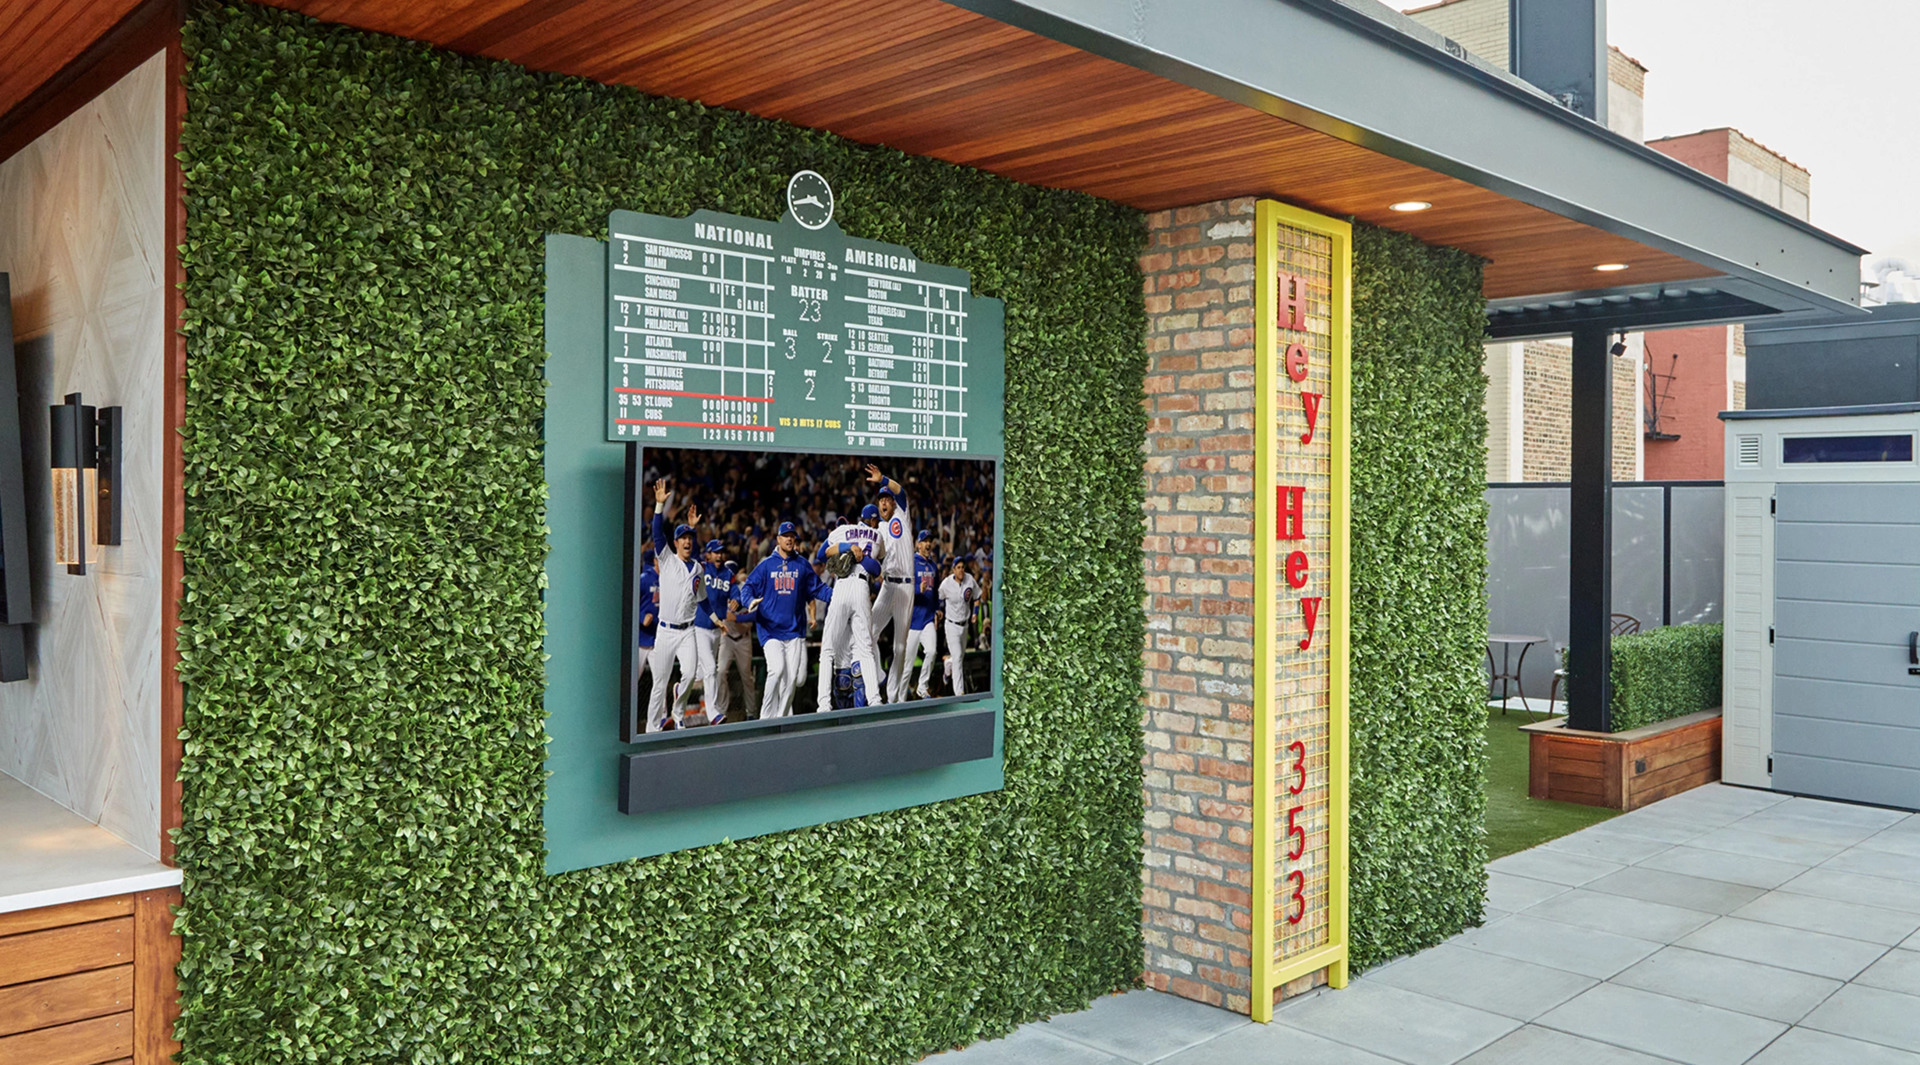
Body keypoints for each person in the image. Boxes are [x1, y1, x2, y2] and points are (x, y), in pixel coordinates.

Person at [645, 481, 705, 732]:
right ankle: (651, 729)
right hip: (666, 631)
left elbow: (702, 596)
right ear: (676, 542)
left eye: (690, 538)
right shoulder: (667, 559)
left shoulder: (698, 568)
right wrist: (659, 505)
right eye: (683, 538)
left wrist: (691, 528)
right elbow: (657, 533)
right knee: (659, 684)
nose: (687, 541)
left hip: (687, 631)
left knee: (691, 674)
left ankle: (678, 713)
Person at [742, 520, 819, 718]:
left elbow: (816, 591)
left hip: (794, 631)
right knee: (776, 670)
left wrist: (835, 597)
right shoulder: (766, 565)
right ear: (778, 539)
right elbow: (747, 587)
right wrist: (749, 600)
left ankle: (782, 717)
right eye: (786, 536)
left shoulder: (801, 565)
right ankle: (765, 718)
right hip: (771, 630)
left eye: (792, 536)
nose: (789, 539)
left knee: (794, 678)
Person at [815, 504, 885, 712]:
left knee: (827, 650)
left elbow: (820, 555)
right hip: (862, 587)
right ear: (873, 520)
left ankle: (824, 704)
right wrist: (858, 552)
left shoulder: (842, 530)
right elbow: (876, 568)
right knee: (866, 649)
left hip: (842, 585)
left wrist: (846, 546)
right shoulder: (877, 535)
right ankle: (875, 700)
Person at [864, 464, 917, 703]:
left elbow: (901, 490)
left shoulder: (902, 515)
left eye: (887, 499)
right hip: (887, 587)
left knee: (900, 648)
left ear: (893, 503)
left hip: (906, 586)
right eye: (881, 500)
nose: (884, 503)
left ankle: (894, 697)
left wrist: (882, 479)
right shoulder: (879, 530)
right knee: (868, 634)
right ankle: (879, 675)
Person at [690, 538, 730, 724]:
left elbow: (734, 592)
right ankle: (712, 712)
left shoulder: (728, 574)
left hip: (716, 630)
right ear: (708, 554)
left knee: (699, 673)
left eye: (721, 552)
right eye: (716, 552)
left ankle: (679, 689)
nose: (719, 555)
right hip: (699, 627)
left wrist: (737, 601)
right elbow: (692, 554)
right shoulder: (703, 567)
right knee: (711, 669)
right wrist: (693, 531)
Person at [900, 528, 942, 700]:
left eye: (930, 541)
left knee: (931, 651)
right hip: (912, 620)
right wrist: (918, 589)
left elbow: (936, 591)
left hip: (927, 619)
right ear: (918, 544)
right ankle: (900, 698)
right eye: (925, 541)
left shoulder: (933, 566)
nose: (928, 544)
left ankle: (922, 687)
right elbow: (903, 589)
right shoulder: (911, 563)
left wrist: (937, 609)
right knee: (907, 665)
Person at [715, 562, 757, 720]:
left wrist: (736, 618)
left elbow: (752, 617)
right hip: (727, 638)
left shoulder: (745, 590)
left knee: (746, 677)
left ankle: (751, 712)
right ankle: (721, 711)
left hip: (743, 638)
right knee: (720, 672)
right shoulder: (720, 588)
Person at [937, 554, 980, 696]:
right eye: (958, 567)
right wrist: (937, 612)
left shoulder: (969, 580)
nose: (961, 570)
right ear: (953, 570)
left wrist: (975, 613)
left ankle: (948, 666)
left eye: (962, 567)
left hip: (965, 625)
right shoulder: (946, 583)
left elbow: (977, 597)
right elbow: (938, 598)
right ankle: (959, 692)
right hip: (951, 625)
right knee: (958, 656)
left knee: (958, 658)